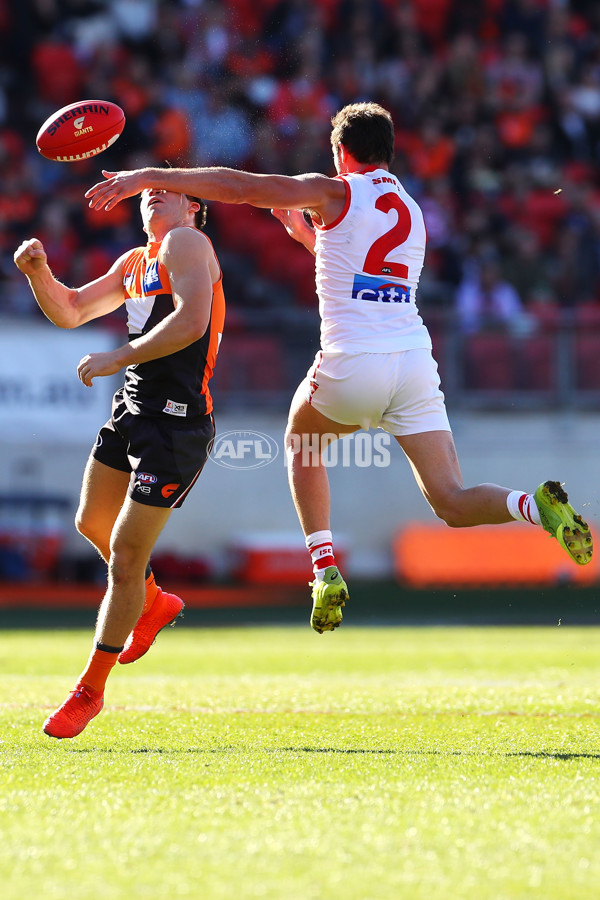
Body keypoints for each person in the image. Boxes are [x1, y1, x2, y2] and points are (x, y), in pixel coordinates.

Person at [85, 101, 593, 635]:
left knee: (301, 442)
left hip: (354, 362)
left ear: (339, 152)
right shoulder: (413, 211)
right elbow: (368, 280)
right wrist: (311, 240)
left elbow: (239, 186)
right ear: (388, 151)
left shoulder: (336, 191)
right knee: (451, 500)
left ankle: (324, 569)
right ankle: (531, 506)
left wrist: (148, 175)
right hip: (414, 363)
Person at [14, 188, 225, 737]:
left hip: (176, 425)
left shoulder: (187, 242)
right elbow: (73, 309)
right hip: (132, 412)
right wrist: (38, 272)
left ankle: (90, 690)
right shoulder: (135, 261)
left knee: (126, 558)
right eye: (147, 191)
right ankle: (152, 604)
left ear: (193, 208)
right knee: (91, 523)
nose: (153, 194)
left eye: (167, 190)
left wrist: (117, 357)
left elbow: (191, 323)